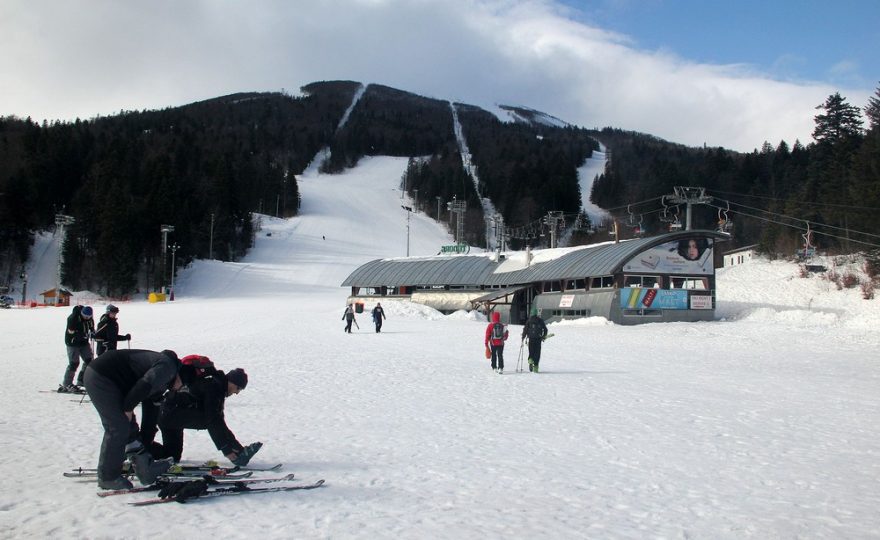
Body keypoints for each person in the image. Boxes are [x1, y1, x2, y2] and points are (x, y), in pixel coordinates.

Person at [83, 349, 182, 490]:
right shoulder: (167, 367)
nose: (177, 389)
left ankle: (143, 468)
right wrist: (128, 408)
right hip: (101, 376)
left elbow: (150, 414)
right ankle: (108, 477)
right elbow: (144, 385)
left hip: (110, 380)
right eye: (181, 386)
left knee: (129, 427)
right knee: (118, 427)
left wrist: (146, 447)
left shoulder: (163, 378)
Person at [153, 365, 262, 466]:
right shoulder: (214, 388)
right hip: (170, 414)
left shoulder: (216, 385)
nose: (237, 392)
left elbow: (219, 422)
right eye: (238, 388)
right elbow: (213, 420)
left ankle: (142, 453)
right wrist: (227, 451)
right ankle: (139, 451)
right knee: (209, 420)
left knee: (172, 457)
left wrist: (237, 448)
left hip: (169, 414)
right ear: (231, 381)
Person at [60, 305, 95, 392]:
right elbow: (71, 332)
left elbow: (91, 326)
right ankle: (67, 384)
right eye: (85, 316)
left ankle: (81, 380)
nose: (87, 318)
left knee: (89, 361)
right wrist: (84, 335)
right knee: (74, 363)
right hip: (72, 343)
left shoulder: (90, 319)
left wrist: (93, 332)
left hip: (84, 343)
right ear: (81, 313)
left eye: (88, 317)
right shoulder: (73, 318)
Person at [521, 306, 549, 373]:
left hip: (531, 338)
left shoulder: (529, 320)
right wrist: (543, 336)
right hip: (538, 339)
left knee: (531, 351)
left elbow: (525, 329)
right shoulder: (540, 320)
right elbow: (545, 329)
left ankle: (530, 359)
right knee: (537, 352)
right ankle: (536, 367)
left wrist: (523, 337)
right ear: (536, 313)